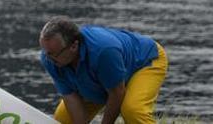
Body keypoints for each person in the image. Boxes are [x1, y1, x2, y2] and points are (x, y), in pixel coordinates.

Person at [38, 18, 168, 124]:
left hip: (143, 62)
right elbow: (71, 98)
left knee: (132, 110)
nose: (48, 59)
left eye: (53, 54)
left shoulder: (104, 51)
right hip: (105, 77)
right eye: (46, 52)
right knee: (64, 120)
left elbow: (117, 93)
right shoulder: (50, 58)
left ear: (74, 46)